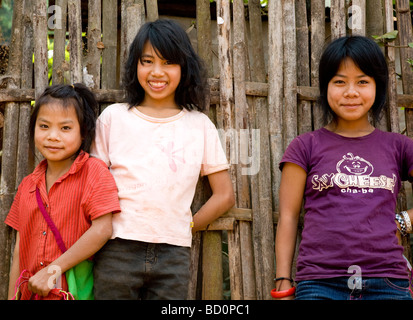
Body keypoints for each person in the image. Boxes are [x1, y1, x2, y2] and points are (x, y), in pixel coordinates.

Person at [90, 19, 235, 300]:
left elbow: (224, 196)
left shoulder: (199, 125)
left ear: (184, 68)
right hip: (116, 248)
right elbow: (92, 187)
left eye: (168, 62)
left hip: (174, 254)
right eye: (147, 61)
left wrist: (185, 224)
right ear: (135, 66)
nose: (157, 72)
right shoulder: (113, 119)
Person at [274, 36, 413, 300]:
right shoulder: (305, 146)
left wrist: (403, 221)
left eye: (362, 81)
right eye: (339, 82)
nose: (351, 92)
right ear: (326, 86)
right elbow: (289, 217)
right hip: (320, 283)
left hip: (386, 282)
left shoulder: (399, 147)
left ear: (377, 86)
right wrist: (283, 281)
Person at [5, 84, 121, 300]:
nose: (53, 136)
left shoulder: (94, 172)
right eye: (44, 126)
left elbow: (102, 229)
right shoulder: (27, 185)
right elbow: (19, 248)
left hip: (70, 294)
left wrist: (53, 269)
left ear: (83, 131)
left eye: (65, 128)